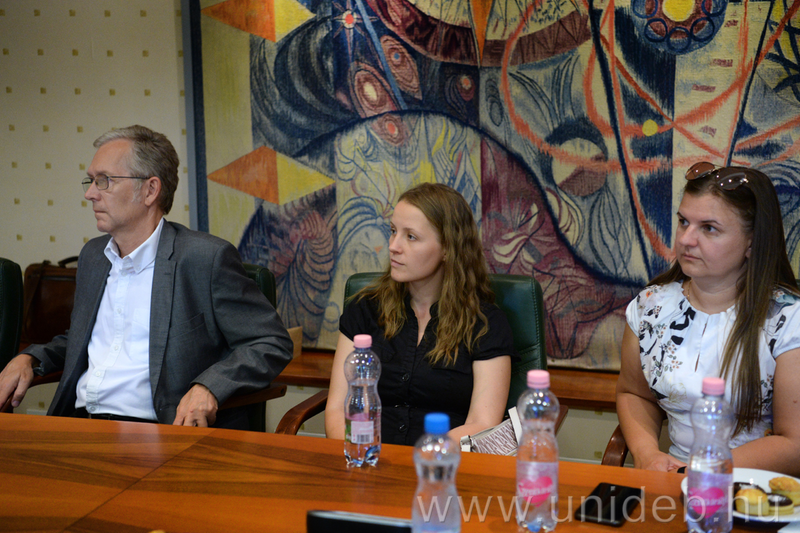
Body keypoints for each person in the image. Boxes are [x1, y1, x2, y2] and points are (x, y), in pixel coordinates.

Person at [0, 125, 293, 429]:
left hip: (159, 432)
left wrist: (209, 386)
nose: (90, 194)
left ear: (150, 190)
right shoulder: (94, 256)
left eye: (104, 181)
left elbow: (270, 342)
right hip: (80, 426)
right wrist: (30, 359)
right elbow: (83, 339)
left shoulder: (204, 259)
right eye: (91, 180)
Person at [616, 161, 800, 475]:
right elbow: (633, 393)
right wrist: (647, 454)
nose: (686, 239)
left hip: (753, 487)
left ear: (752, 242)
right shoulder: (650, 307)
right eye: (683, 222)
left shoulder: (788, 319)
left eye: (708, 228)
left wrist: (703, 470)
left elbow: (793, 443)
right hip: (673, 479)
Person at [325, 182, 516, 445]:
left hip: (441, 463)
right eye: (393, 231)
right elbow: (339, 409)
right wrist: (361, 456)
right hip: (367, 458)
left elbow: (482, 424)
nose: (394, 246)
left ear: (448, 248)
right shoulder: (364, 309)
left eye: (411, 237)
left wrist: (420, 460)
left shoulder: (485, 324)